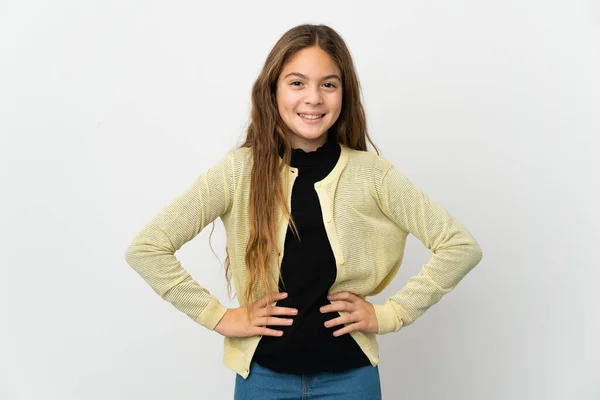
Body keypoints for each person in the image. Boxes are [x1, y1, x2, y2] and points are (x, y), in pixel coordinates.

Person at [124, 24, 483, 400]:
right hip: (263, 380)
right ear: (273, 90)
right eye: (297, 83)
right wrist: (220, 317)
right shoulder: (237, 172)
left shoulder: (373, 175)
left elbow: (459, 246)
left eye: (328, 84)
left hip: (351, 381)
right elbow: (147, 249)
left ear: (344, 94)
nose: (313, 98)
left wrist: (389, 314)